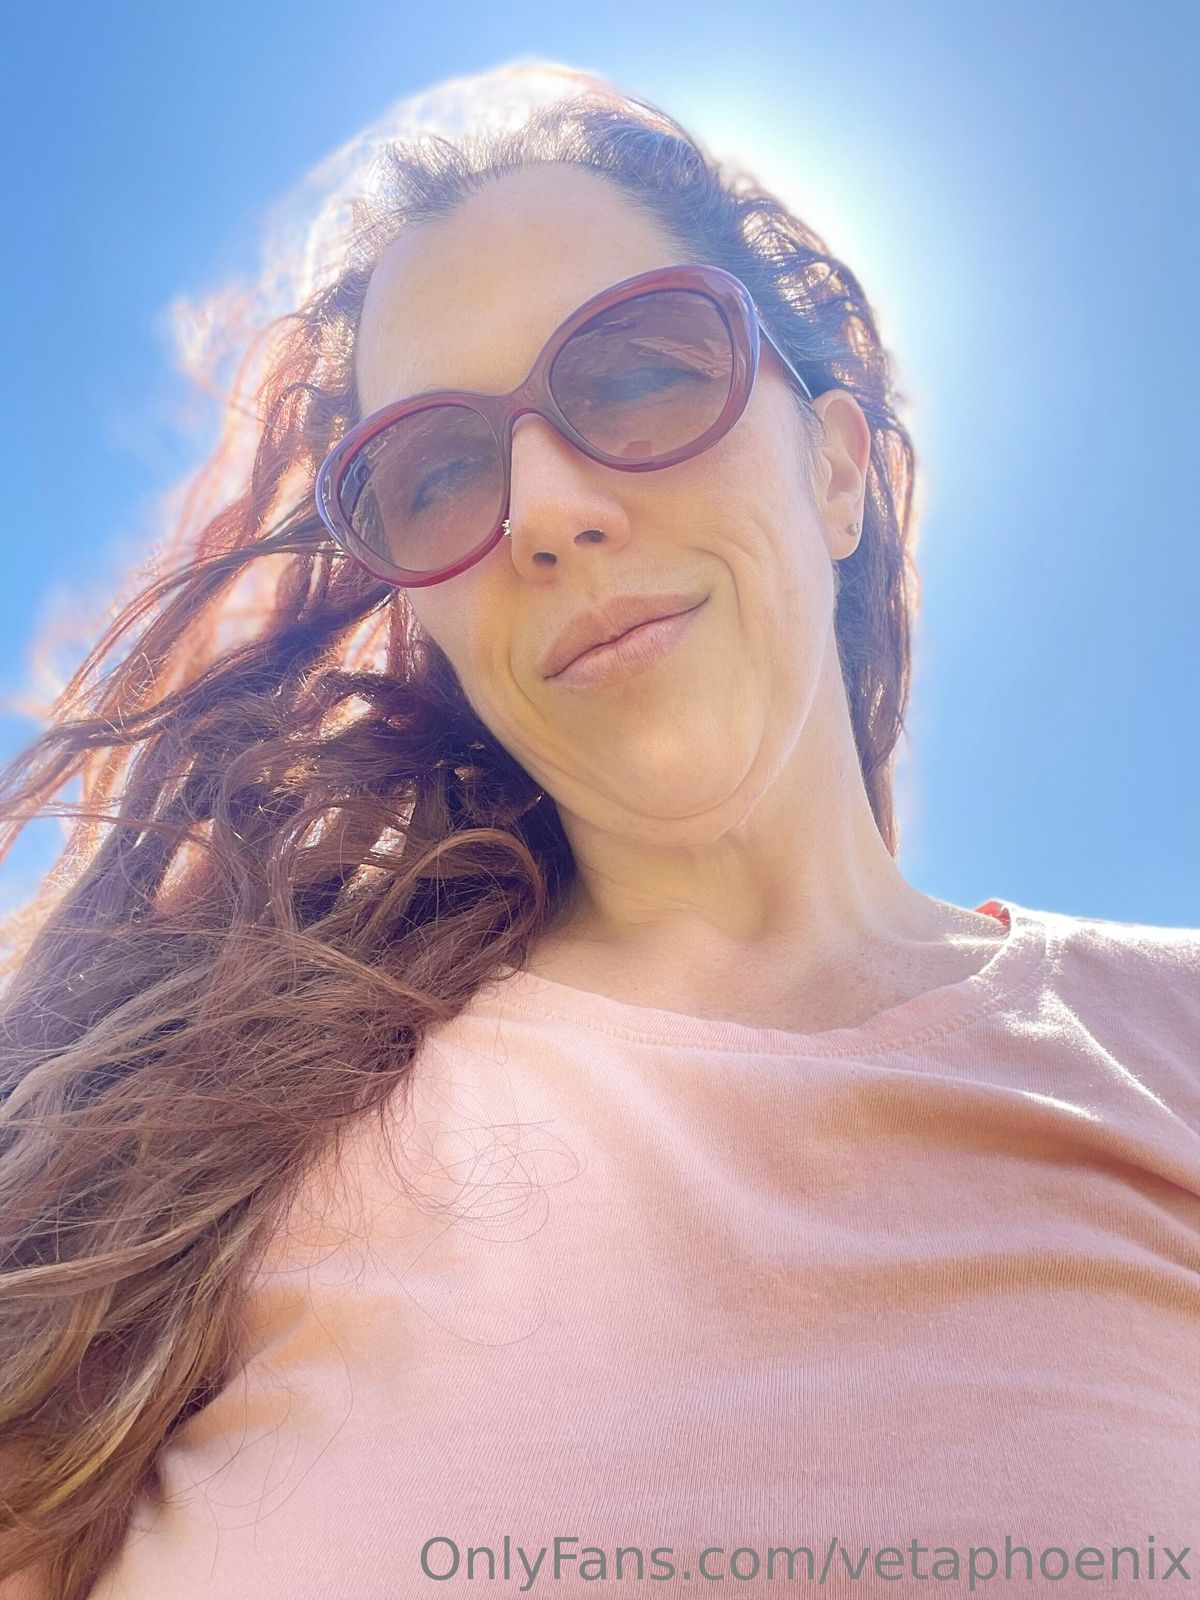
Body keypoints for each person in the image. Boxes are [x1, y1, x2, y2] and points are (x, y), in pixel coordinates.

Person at [1, 75, 1197, 1600]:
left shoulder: (1169, 1039)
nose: (547, 509)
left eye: (637, 372)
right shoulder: (182, 1150)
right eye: (438, 475)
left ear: (836, 468)